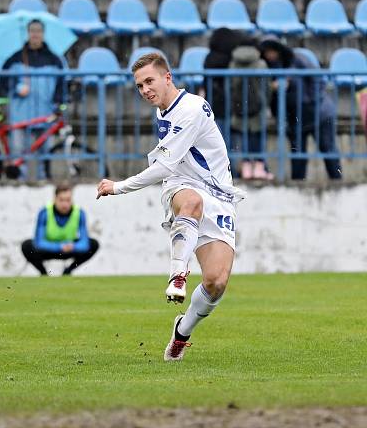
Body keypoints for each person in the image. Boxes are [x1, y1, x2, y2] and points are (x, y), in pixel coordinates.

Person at [97, 53, 245, 362]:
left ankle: (182, 332)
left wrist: (119, 186)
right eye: (139, 86)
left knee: (216, 282)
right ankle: (178, 274)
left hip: (219, 194)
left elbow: (163, 164)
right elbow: (169, 169)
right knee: (191, 202)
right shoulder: (166, 107)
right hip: (182, 186)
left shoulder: (190, 109)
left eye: (149, 81)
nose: (145, 90)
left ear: (168, 78)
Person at [259, 37, 342, 181]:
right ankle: (297, 186)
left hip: (319, 113)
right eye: (267, 52)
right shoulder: (267, 67)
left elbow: (318, 80)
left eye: (272, 51)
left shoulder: (298, 59)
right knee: (297, 155)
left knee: (327, 149)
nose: (269, 55)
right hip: (295, 118)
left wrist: (309, 101)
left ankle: (338, 182)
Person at [0, 19, 65, 181]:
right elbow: (3, 82)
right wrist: (16, 88)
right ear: (28, 33)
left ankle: (44, 182)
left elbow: (61, 87)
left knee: (45, 153)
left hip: (45, 113)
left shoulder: (55, 60)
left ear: (43, 34)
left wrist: (57, 106)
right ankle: (18, 184)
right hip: (20, 115)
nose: (35, 34)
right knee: (18, 153)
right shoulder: (14, 58)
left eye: (38, 31)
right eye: (32, 31)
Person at [21, 183, 99, 276]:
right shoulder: (45, 212)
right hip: (49, 249)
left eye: (68, 200)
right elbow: (39, 243)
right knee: (27, 246)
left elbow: (84, 243)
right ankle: (43, 273)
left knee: (93, 244)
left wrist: (73, 246)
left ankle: (68, 271)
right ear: (55, 199)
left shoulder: (79, 213)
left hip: (69, 249)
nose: (65, 204)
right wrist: (59, 247)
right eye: (61, 200)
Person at [228, 39, 273, 180]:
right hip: (258, 107)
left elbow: (229, 87)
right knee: (257, 137)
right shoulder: (261, 64)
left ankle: (246, 168)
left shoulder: (232, 64)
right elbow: (267, 88)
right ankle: (259, 168)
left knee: (243, 136)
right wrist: (266, 103)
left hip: (239, 107)